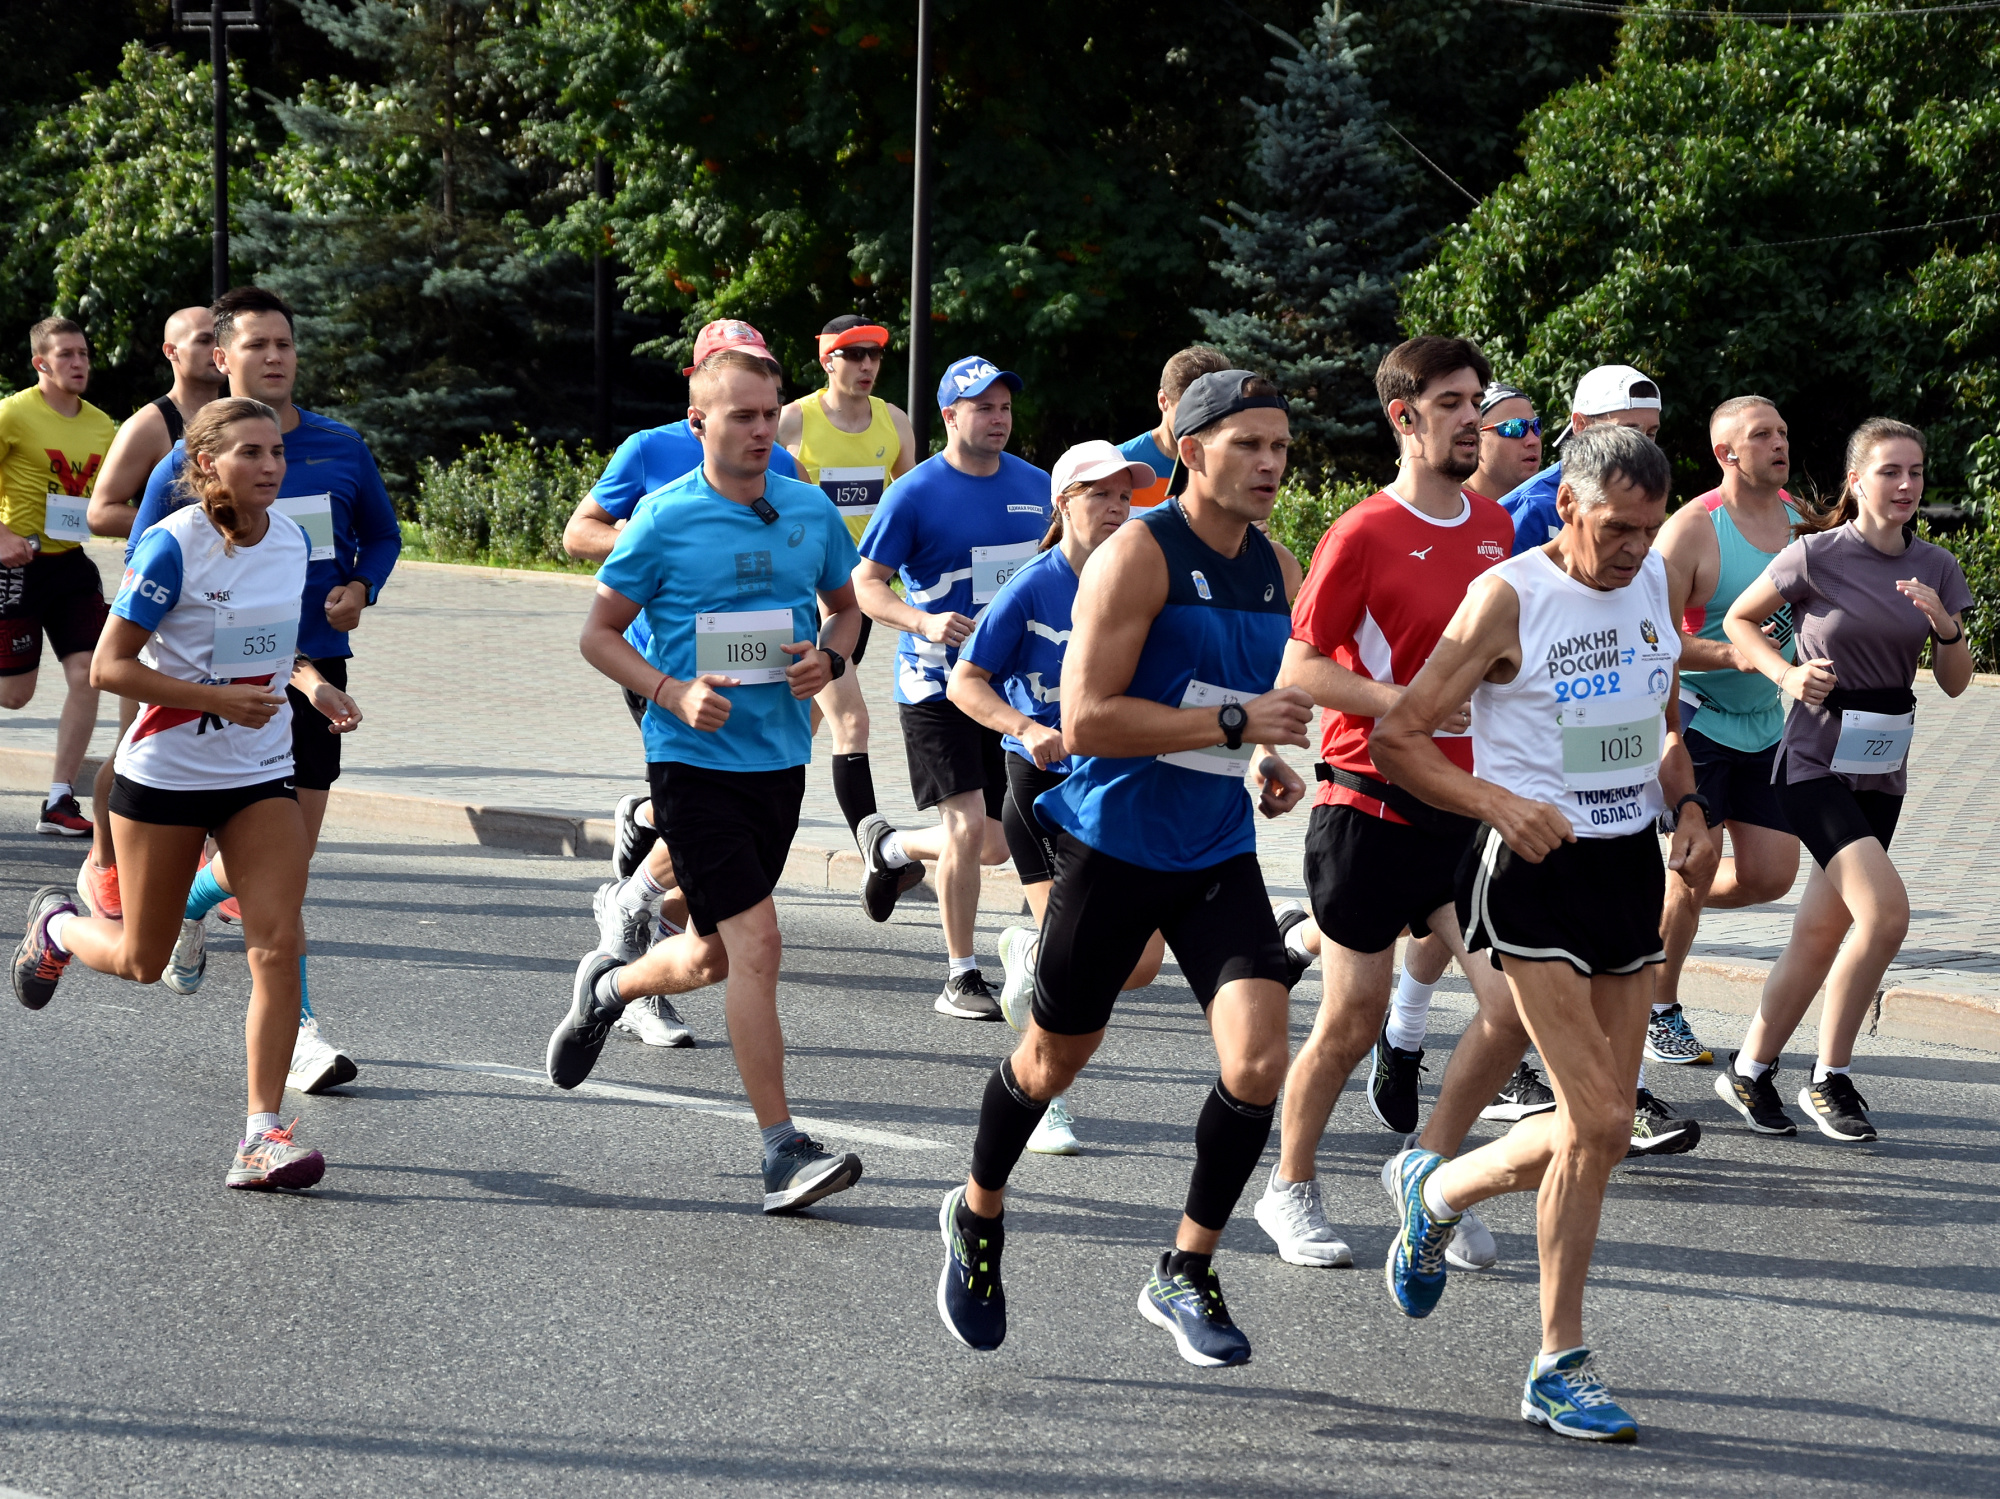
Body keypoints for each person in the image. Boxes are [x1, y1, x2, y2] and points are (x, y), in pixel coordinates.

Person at [934, 368, 1311, 1369]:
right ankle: (976, 1212)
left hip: (1215, 848)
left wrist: (1261, 757)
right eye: (1248, 445)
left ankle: (1184, 1266)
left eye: (1279, 445)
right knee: (1051, 1058)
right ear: (1188, 452)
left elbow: (1235, 693)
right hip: (1110, 844)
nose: (1270, 462)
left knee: (1257, 1058)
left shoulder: (1276, 562)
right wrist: (1234, 722)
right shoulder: (1134, 556)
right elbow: (1090, 716)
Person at [1370, 422, 1717, 1442]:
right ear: (1565, 505)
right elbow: (1400, 735)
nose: (1632, 548)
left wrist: (1686, 804)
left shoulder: (1649, 579)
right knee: (1602, 1120)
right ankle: (1556, 1360)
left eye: (1647, 530)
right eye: (1615, 527)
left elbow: (1656, 707)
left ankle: (1434, 1192)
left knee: (1594, 1135)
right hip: (1524, 866)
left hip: (1621, 864)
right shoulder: (1507, 596)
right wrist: (1492, 802)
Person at [545, 342, 872, 1215]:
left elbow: (847, 610)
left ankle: (610, 985)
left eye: (770, 415)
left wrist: (828, 660)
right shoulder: (661, 518)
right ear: (699, 423)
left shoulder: (806, 510)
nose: (762, 430)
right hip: (690, 763)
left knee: (715, 953)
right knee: (759, 944)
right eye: (742, 416)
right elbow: (598, 635)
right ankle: (780, 1149)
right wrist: (671, 690)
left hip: (778, 761)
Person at [11, 396, 362, 1190]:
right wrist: (216, 700)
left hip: (259, 772)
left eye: (275, 451)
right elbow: (109, 668)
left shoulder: (292, 540)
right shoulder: (175, 546)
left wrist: (310, 685)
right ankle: (61, 929)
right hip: (164, 774)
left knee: (279, 944)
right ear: (207, 463)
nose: (270, 465)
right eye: (250, 453)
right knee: (141, 957)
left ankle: (259, 1133)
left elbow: (279, 641)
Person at [1255, 336, 1525, 1276]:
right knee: (1354, 1016)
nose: (1472, 417)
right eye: (1452, 401)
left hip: (1464, 806)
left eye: (1476, 400)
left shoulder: (1496, 528)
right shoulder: (1361, 532)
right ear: (1404, 417)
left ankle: (1429, 1173)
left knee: (1509, 1009)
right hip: (1366, 802)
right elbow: (1302, 666)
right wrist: (1408, 707)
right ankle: (1288, 1184)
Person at [129, 286, 401, 1096]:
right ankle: (305, 1032)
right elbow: (147, 568)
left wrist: (362, 586)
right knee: (278, 894)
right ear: (222, 358)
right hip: (207, 689)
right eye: (258, 345)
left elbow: (382, 534)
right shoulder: (193, 462)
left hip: (310, 675)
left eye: (286, 342)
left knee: (288, 873)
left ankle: (194, 906)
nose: (275, 356)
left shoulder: (339, 446)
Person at [1713, 418, 1972, 1143]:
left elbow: (1956, 684)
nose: (1907, 486)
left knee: (1820, 932)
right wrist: (1787, 672)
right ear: (1857, 479)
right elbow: (1739, 620)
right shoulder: (1816, 555)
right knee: (1884, 914)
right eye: (1891, 471)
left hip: (1882, 766)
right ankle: (1829, 1076)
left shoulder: (1938, 566)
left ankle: (1750, 1069)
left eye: (1916, 472)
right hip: (1814, 762)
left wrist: (1946, 632)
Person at [561, 319, 805, 1048]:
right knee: (703, 792)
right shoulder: (649, 450)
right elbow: (579, 533)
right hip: (666, 661)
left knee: (725, 814)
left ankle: (642, 845)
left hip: (767, 672)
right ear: (701, 389)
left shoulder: (781, 462)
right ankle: (638, 919)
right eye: (734, 377)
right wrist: (652, 544)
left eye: (762, 372)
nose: (756, 416)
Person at [947, 439, 1168, 1156]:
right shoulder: (1031, 587)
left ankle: (1028, 950)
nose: (1115, 507)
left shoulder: (1142, 577)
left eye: (1124, 494)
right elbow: (965, 681)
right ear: (1063, 504)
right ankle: (1048, 1102)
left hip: (1120, 785)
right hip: (1041, 789)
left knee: (1140, 963)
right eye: (1098, 493)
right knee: (1076, 973)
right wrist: (1025, 726)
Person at [851, 356, 1050, 1019]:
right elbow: (866, 584)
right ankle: (961, 974)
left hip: (1010, 686)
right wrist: (924, 620)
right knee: (967, 827)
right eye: (983, 407)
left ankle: (893, 847)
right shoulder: (915, 491)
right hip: (933, 685)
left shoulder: (1036, 485)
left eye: (1005, 407)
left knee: (994, 842)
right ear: (950, 416)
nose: (998, 418)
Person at [1652, 397, 1805, 1066]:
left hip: (1768, 722)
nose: (1779, 443)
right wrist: (1736, 654)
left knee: (1772, 875)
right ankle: (1660, 1008)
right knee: (1694, 866)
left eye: (1782, 432)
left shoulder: (1805, 524)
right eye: (1761, 434)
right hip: (1698, 718)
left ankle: (1650, 902)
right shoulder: (1692, 530)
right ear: (1727, 454)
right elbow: (1648, 639)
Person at [76, 306, 224, 920]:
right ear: (171, 351)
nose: (214, 348)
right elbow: (101, 510)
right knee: (139, 737)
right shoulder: (153, 424)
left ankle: (211, 868)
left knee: (220, 738)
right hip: (158, 606)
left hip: (228, 604)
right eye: (202, 339)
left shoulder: (240, 417)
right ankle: (104, 860)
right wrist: (176, 529)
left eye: (220, 338)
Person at [778, 315, 922, 870]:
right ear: (827, 360)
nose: (867, 365)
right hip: (813, 596)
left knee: (796, 731)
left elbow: (913, 507)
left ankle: (655, 817)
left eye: (875, 355)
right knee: (851, 721)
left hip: (858, 598)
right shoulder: (793, 421)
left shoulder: (896, 422)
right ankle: (878, 854)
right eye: (854, 354)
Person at [0, 317, 118, 840]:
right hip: (16, 562)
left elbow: (111, 496)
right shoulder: (13, 414)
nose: (78, 363)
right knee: (15, 696)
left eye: (84, 353)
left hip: (71, 564)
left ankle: (59, 797)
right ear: (40, 363)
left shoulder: (102, 425)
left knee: (89, 673)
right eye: (66, 354)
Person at [1500, 364, 1662, 555]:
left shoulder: (1649, 498)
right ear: (1581, 425)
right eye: (1627, 432)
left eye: (1650, 434)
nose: (1641, 445)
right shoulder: (1531, 508)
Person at [1117, 347, 1233, 510]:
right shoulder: (1119, 464)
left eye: (1216, 412)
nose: (1203, 421)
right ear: (1163, 400)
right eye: (1191, 410)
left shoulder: (1230, 466)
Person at [1466, 382, 1543, 504]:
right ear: (1475, 441)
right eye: (1514, 428)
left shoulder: (1554, 508)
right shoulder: (1449, 514)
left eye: (1536, 426)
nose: (1534, 440)